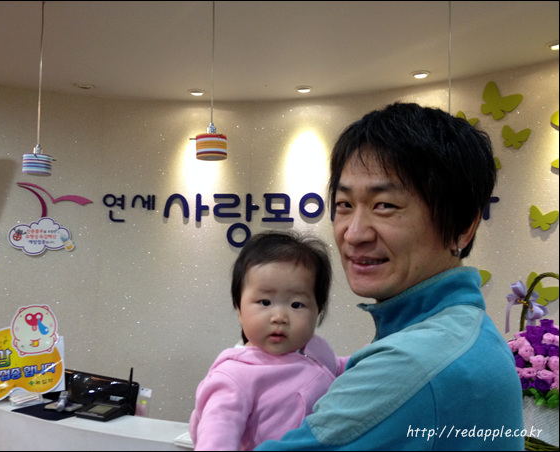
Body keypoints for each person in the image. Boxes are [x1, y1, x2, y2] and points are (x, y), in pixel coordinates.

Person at [256, 102, 524, 450]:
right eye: (344, 205)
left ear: (463, 225)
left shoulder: (414, 361)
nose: (354, 233)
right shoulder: (468, 331)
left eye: (385, 205)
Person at [189, 230, 349, 451]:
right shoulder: (234, 376)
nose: (279, 317)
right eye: (265, 302)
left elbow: (338, 368)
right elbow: (216, 438)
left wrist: (375, 355)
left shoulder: (316, 348)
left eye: (296, 305)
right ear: (239, 308)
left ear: (318, 310)